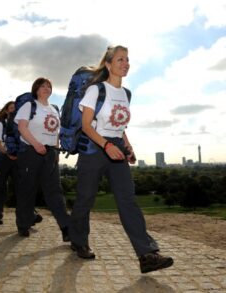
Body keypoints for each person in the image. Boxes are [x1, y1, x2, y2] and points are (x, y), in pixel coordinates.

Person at [68, 45, 173, 273]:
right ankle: (78, 240)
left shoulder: (126, 94)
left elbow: (119, 124)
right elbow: (86, 126)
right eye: (119, 59)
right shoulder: (96, 90)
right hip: (94, 147)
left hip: (115, 147)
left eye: (127, 59)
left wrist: (127, 145)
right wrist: (105, 145)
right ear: (108, 64)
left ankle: (146, 255)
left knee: (128, 200)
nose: (125, 63)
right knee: (86, 198)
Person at [15, 77, 70, 240]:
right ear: (36, 89)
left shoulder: (54, 109)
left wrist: (56, 153)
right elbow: (21, 127)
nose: (46, 88)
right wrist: (36, 144)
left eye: (49, 86)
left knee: (55, 191)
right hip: (31, 152)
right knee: (28, 190)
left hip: (50, 154)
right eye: (42, 86)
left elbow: (56, 133)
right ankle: (23, 224)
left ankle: (66, 228)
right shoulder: (29, 105)